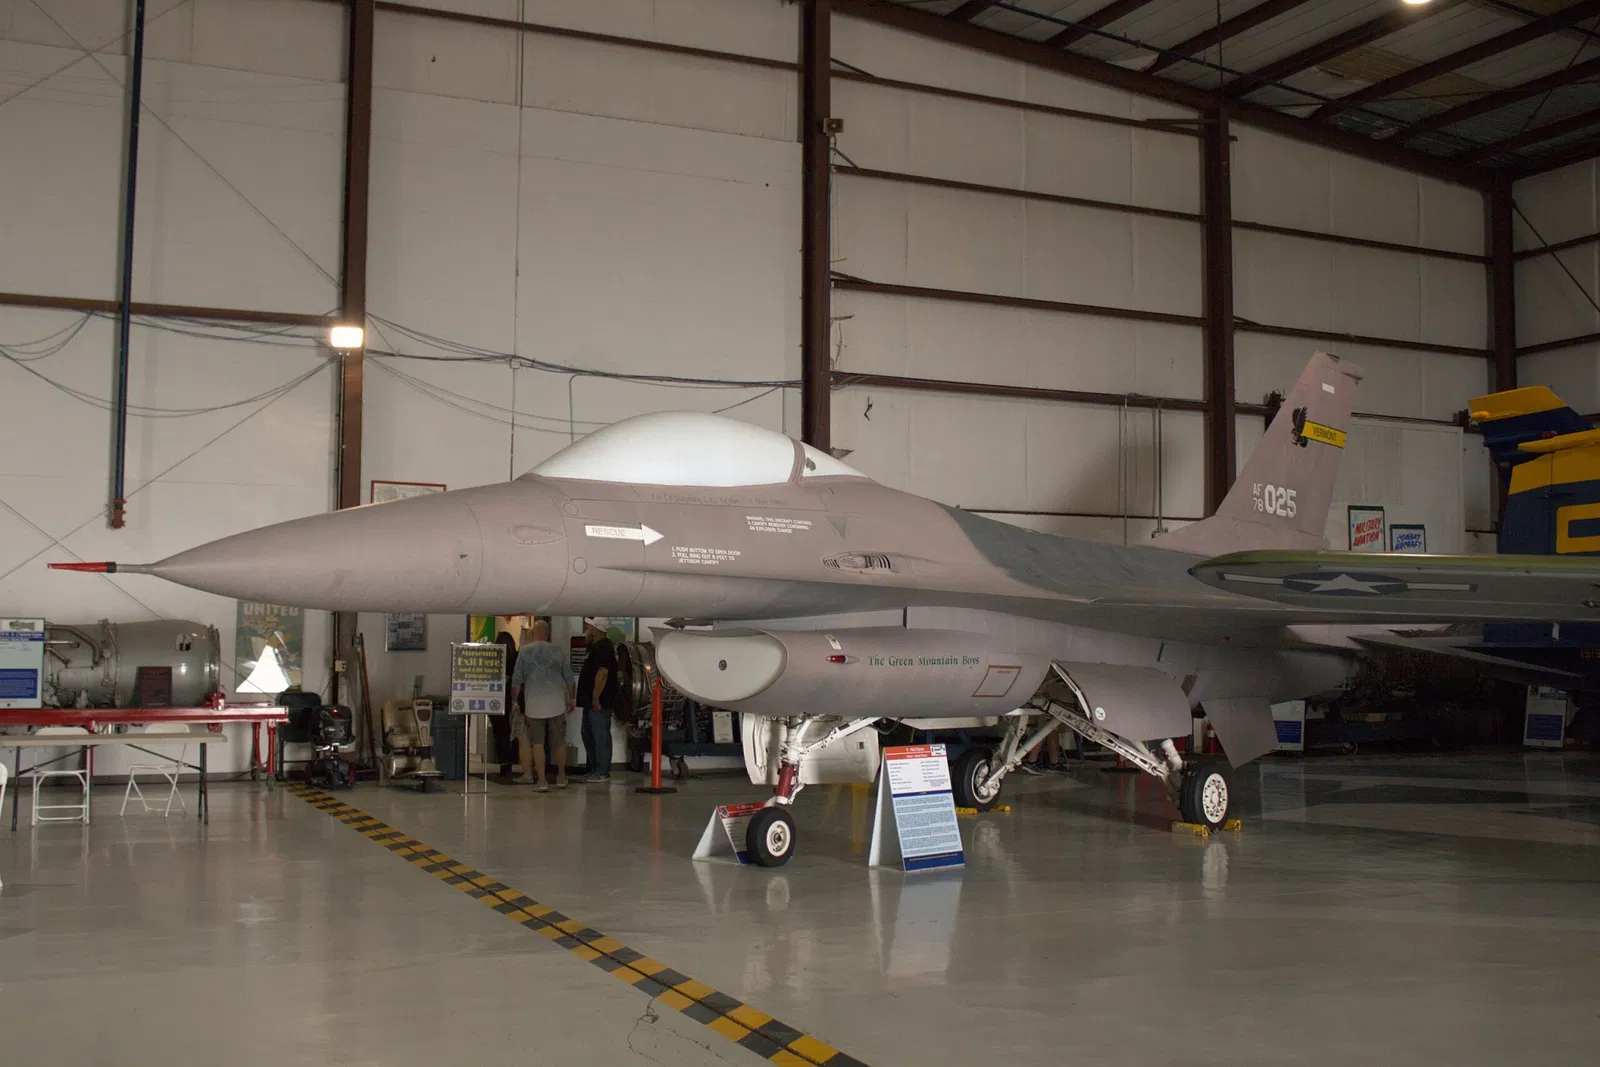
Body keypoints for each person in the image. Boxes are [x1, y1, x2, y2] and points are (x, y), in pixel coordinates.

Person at [507, 619, 573, 791]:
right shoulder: (558, 651)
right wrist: (571, 699)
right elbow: (569, 679)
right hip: (557, 704)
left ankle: (542, 781)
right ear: (547, 633)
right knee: (559, 742)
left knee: (537, 743)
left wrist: (515, 701)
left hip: (533, 705)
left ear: (533, 633)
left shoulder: (525, 652)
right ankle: (561, 777)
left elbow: (516, 681)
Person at [577, 618, 618, 783]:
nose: (587, 628)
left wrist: (596, 697)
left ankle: (602, 771)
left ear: (596, 629)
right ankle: (595, 767)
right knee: (588, 733)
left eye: (590, 626)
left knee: (600, 735)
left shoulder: (603, 647)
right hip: (590, 701)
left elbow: (602, 674)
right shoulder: (595, 646)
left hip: (599, 702)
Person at [491, 629, 519, 779]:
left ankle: (504, 764)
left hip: (495, 699)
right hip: (513, 699)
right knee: (514, 731)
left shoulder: (494, 658)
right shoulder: (517, 657)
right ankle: (514, 759)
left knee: (499, 732)